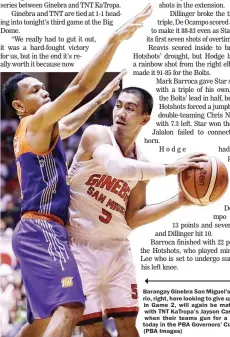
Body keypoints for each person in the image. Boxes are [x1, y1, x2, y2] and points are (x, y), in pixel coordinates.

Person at [1, 5, 153, 337]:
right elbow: (79, 86)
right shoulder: (35, 120)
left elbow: (70, 122)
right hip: (44, 229)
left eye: (44, 88)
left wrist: (102, 100)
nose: (45, 92)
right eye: (35, 91)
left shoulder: (39, 131)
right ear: (19, 105)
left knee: (40, 323)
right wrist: (114, 40)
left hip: (34, 230)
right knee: (72, 307)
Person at [67, 87, 207, 337]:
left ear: (145, 119)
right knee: (93, 329)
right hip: (80, 246)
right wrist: (169, 168)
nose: (120, 112)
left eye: (129, 108)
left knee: (128, 326)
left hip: (118, 248)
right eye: (118, 105)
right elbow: (118, 167)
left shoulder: (141, 164)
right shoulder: (96, 134)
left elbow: (133, 217)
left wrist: (178, 201)